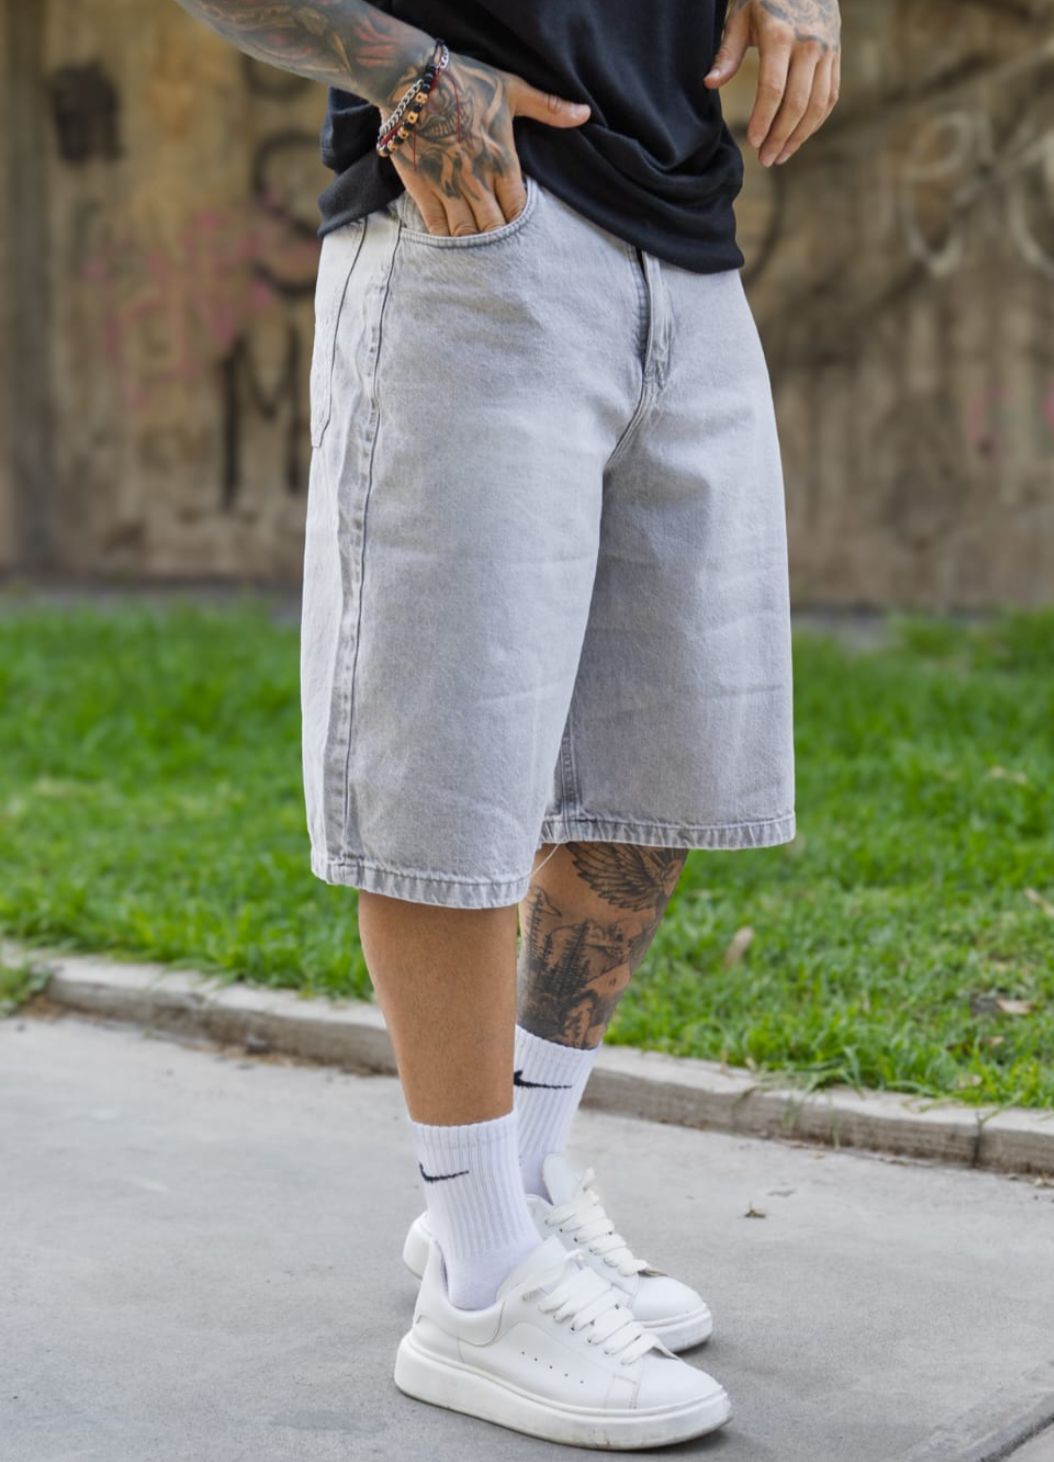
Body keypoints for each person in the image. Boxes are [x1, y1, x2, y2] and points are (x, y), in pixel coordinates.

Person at [174, 0, 841, 1448]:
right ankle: (477, 1284)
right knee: (448, 775)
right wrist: (411, 79)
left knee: (660, 770)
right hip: (473, 233)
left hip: (686, 235)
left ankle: (517, 1185)